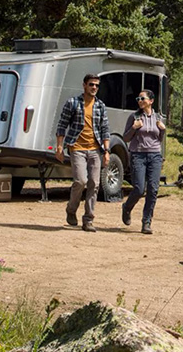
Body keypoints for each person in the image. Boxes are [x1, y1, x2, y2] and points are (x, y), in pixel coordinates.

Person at [55, 74, 110, 232]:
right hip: (77, 147)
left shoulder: (100, 106)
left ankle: (88, 220)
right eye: (91, 84)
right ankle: (71, 210)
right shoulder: (73, 103)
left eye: (97, 86)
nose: (94, 88)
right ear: (84, 85)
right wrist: (59, 147)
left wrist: (106, 151)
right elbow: (62, 125)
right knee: (80, 181)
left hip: (95, 149)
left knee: (94, 183)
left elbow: (105, 130)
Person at [121, 89, 165, 234]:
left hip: (155, 156)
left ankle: (146, 222)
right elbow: (126, 138)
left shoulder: (158, 117)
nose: (139, 101)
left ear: (151, 101)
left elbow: (159, 139)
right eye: (138, 99)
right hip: (138, 155)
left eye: (142, 98)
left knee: (153, 190)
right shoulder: (134, 117)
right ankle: (127, 207)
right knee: (139, 189)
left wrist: (163, 131)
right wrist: (134, 128)